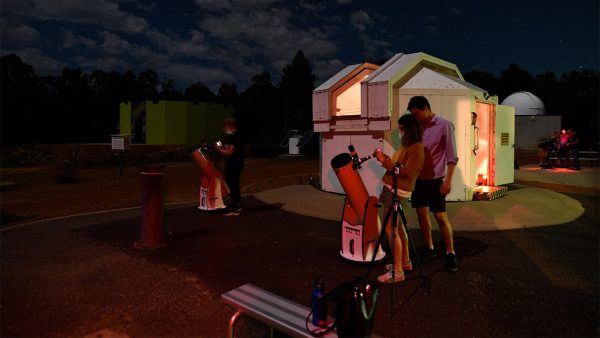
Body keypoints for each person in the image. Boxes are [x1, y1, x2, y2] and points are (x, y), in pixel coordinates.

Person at [407, 96, 459, 272]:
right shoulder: (416, 127)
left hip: (436, 179)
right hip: (417, 179)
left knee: (440, 216)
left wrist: (448, 180)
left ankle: (450, 253)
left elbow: (452, 157)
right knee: (421, 214)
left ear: (426, 108)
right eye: (413, 115)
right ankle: (429, 248)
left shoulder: (444, 125)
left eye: (417, 113)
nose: (416, 117)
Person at [374, 114, 425, 283]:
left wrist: (384, 162)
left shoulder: (416, 148)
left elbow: (406, 172)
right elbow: (399, 167)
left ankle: (397, 272)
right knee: (398, 228)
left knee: (391, 230)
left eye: (402, 129)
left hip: (396, 191)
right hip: (394, 189)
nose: (400, 132)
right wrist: (386, 160)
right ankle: (404, 262)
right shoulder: (410, 147)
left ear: (410, 130)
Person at [215, 118, 244, 216]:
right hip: (236, 163)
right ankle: (235, 205)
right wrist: (222, 148)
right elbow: (228, 149)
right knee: (233, 183)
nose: (223, 128)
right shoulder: (235, 136)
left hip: (234, 163)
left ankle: (236, 207)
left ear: (229, 126)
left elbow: (230, 152)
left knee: (233, 184)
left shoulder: (233, 137)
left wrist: (218, 149)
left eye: (225, 126)